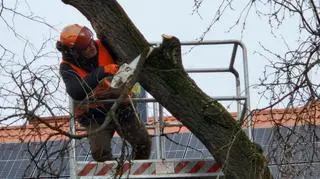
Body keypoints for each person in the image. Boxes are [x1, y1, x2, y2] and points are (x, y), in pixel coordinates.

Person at [57, 24, 151, 162]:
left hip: (121, 107)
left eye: (91, 42)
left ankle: (134, 173)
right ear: (74, 52)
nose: (92, 47)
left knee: (143, 144)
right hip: (93, 115)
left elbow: (130, 61)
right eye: (86, 47)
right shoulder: (67, 67)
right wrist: (102, 71)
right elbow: (76, 92)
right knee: (100, 154)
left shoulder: (104, 45)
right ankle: (114, 175)